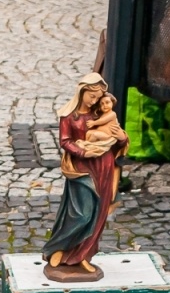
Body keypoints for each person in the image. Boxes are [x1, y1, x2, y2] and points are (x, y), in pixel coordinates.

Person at [42, 73, 127, 282]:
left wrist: (122, 138)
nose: (94, 101)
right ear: (82, 92)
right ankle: (57, 248)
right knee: (81, 213)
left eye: (98, 97)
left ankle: (83, 255)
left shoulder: (99, 113)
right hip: (81, 168)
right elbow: (65, 141)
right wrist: (82, 152)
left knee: (99, 214)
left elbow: (116, 137)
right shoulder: (69, 116)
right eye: (92, 96)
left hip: (104, 166)